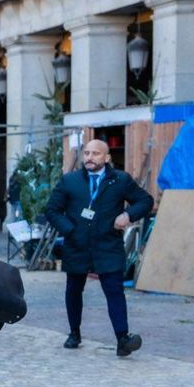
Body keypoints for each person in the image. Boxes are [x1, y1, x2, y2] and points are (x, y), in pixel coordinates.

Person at [44, 139, 153, 356]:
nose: (89, 158)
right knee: (74, 291)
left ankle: (123, 339)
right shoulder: (70, 181)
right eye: (86, 153)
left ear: (107, 157)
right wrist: (70, 230)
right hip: (77, 246)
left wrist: (127, 215)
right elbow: (52, 210)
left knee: (114, 292)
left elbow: (145, 201)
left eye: (95, 153)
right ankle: (74, 333)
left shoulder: (120, 181)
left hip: (107, 246)